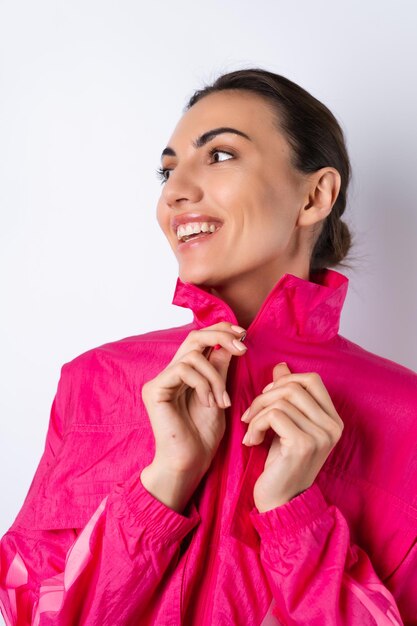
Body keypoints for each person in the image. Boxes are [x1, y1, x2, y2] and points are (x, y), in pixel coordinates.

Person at [1, 67, 416, 626]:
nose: (175, 192)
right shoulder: (94, 382)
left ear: (315, 195)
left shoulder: (404, 414)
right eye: (167, 170)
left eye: (219, 155)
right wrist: (163, 481)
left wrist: (294, 518)